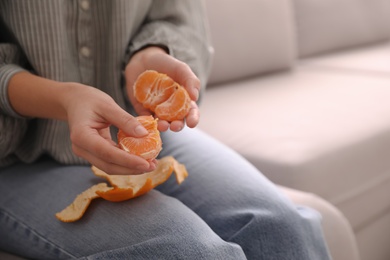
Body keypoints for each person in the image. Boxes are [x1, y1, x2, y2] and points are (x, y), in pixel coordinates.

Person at [0, 1, 331, 259]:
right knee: (190, 252)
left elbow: (178, 17)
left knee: (279, 226)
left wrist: (151, 53)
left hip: (136, 129)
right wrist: (64, 99)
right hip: (14, 156)